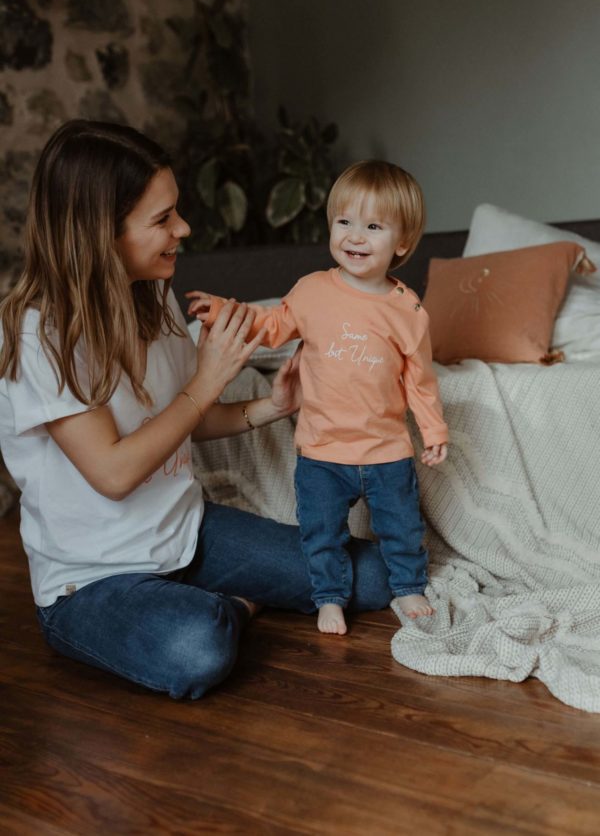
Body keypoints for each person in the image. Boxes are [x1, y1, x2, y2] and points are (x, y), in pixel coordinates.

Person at [0, 121, 393, 699]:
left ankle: (213, 601)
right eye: (162, 220)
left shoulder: (150, 293)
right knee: (197, 648)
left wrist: (273, 405)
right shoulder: (41, 333)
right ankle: (222, 608)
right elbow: (112, 472)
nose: (183, 229)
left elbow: (182, 420)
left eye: (175, 210)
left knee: (375, 576)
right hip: (91, 582)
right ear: (99, 234)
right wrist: (208, 379)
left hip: (187, 534)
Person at [188, 160, 449, 636]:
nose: (355, 236)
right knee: (320, 531)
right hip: (323, 450)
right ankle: (328, 597)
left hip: (386, 449)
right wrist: (224, 310)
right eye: (344, 221)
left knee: (402, 528)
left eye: (373, 227)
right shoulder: (311, 290)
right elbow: (268, 326)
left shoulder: (407, 309)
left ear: (402, 243)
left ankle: (409, 586)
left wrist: (433, 430)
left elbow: (421, 380)